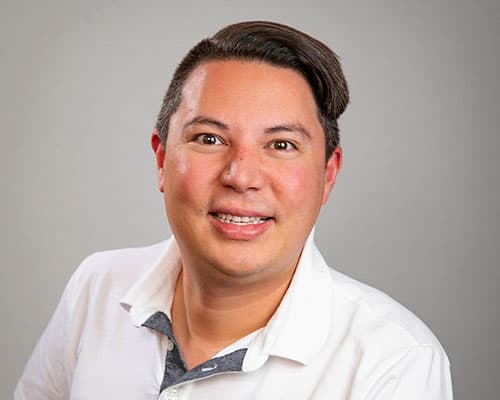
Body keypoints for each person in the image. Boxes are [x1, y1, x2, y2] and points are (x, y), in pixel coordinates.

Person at [15, 21, 453, 399]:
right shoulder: (98, 288)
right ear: (161, 159)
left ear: (328, 175)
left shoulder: (394, 361)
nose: (241, 176)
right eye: (209, 138)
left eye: (281, 145)